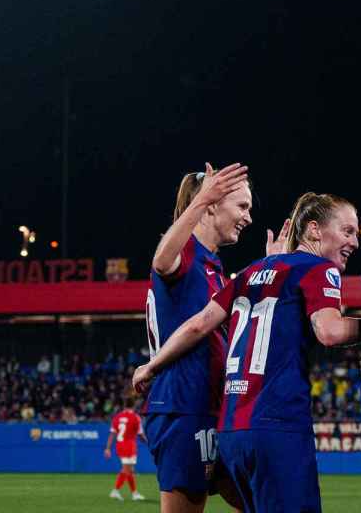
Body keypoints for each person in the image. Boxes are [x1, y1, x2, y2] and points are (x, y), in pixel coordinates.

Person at [134, 192, 361, 513]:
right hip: (277, 424)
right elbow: (330, 331)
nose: (355, 241)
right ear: (314, 230)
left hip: (232, 432)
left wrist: (151, 365)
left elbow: (199, 324)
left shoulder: (248, 273)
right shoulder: (319, 269)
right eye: (347, 231)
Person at [144, 162, 251, 513]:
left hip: (212, 408)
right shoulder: (185, 252)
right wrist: (200, 201)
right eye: (242, 206)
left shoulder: (212, 266)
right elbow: (161, 260)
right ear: (213, 204)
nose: (247, 218)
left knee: (260, 500)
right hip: (184, 406)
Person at [105, 398, 148, 501]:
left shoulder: (117, 417)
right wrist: (149, 443)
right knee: (126, 470)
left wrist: (108, 448)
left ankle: (134, 493)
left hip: (120, 445)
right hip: (129, 446)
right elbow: (141, 435)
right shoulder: (135, 417)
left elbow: (112, 434)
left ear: (124, 405)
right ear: (133, 406)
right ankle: (116, 491)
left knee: (130, 470)